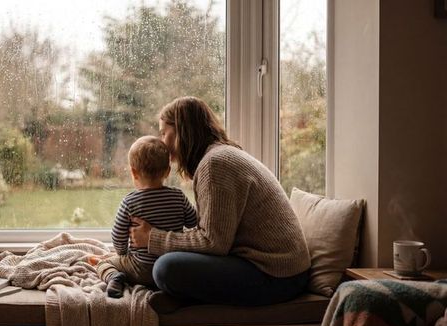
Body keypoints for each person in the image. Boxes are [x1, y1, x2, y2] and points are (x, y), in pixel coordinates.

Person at [129, 96, 310, 306]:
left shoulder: (215, 164)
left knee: (165, 268)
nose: (161, 142)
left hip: (277, 275)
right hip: (282, 270)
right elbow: (215, 234)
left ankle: (180, 296)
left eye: (164, 133)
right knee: (168, 266)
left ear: (182, 132)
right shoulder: (219, 156)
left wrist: (152, 238)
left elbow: (213, 243)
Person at [96, 135, 197, 298]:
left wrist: (122, 254)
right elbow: (193, 221)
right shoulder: (178, 196)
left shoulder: (129, 202)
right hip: (171, 267)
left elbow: (118, 237)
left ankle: (114, 277)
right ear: (167, 171)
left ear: (133, 172)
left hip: (140, 268)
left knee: (104, 263)